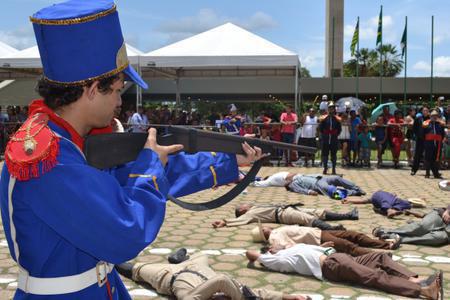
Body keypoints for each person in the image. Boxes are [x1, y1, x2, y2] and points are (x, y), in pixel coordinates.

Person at [0, 1, 263, 299]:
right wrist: (151, 163)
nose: (119, 102)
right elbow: (127, 231)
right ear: (91, 90)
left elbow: (138, 176)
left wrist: (229, 160)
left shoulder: (74, 140)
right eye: (115, 90)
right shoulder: (50, 158)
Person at [246, 244, 442, 299]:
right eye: (272, 246)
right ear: (270, 251)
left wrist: (326, 245)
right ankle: (423, 291)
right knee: (373, 276)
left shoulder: (291, 248)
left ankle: (416, 279)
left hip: (338, 257)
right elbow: (250, 253)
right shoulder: (274, 259)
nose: (276, 245)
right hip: (332, 266)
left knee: (380, 257)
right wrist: (262, 255)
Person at [114, 252, 306, 300]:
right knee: (203, 256)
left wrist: (240, 296)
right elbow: (259, 292)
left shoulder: (192, 298)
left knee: (135, 271)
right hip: (198, 265)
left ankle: (108, 260)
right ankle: (178, 257)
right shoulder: (230, 292)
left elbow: (220, 281)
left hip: (166, 275)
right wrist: (289, 297)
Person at [251, 224, 399, 256]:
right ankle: (380, 255)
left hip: (319, 232)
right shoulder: (274, 237)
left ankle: (386, 245)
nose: (264, 226)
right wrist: (321, 248)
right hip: (317, 239)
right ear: (263, 233)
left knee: (353, 235)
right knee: (349, 246)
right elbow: (288, 247)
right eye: (262, 227)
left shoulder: (276, 231)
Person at [211, 203, 359, 231]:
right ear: (242, 211)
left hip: (287, 208)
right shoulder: (249, 214)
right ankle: (334, 230)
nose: (246, 204)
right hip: (284, 215)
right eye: (242, 206)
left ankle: (349, 215)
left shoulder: (255, 207)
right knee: (308, 220)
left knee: (318, 212)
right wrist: (224, 222)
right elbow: (239, 221)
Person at [373, 205, 450, 246]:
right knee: (422, 227)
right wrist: (447, 211)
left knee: (437, 238)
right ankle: (386, 231)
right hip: (441, 215)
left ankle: (393, 237)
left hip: (447, 233)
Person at [343, 191, 426, 218]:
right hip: (396, 201)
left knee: (386, 207)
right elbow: (363, 201)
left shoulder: (375, 197)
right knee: (408, 205)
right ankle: (407, 211)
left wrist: (350, 201)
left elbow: (363, 201)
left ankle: (393, 211)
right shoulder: (383, 195)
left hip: (387, 201)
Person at [285, 173, 365, 198]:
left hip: (322, 178)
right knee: (332, 192)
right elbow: (299, 190)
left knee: (337, 178)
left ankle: (357, 188)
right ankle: (354, 193)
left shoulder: (299, 177)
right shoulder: (293, 184)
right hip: (317, 185)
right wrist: (309, 192)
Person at [319, 102, 341, 174]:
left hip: (333, 139)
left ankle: (334, 169)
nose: (331, 110)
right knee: (325, 154)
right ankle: (325, 168)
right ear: (328, 109)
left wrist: (334, 135)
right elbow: (321, 128)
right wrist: (325, 135)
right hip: (325, 139)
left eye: (333, 108)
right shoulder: (324, 118)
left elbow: (339, 129)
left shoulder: (337, 119)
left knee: (333, 155)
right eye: (330, 108)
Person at [423, 109, 446, 178]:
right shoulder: (426, 124)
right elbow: (423, 134)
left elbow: (442, 134)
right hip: (428, 144)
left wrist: (441, 140)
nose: (434, 117)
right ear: (430, 116)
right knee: (428, 158)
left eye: (436, 116)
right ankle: (427, 173)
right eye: (433, 116)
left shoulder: (440, 124)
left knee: (437, 158)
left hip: (438, 144)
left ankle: (436, 173)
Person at [411, 107, 430, 175]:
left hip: (428, 139)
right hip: (420, 139)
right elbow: (414, 128)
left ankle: (431, 171)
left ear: (428, 112)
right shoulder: (418, 118)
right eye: (424, 110)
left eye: (426, 110)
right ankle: (414, 169)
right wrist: (418, 135)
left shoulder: (430, 119)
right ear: (422, 111)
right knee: (417, 155)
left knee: (429, 155)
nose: (425, 111)